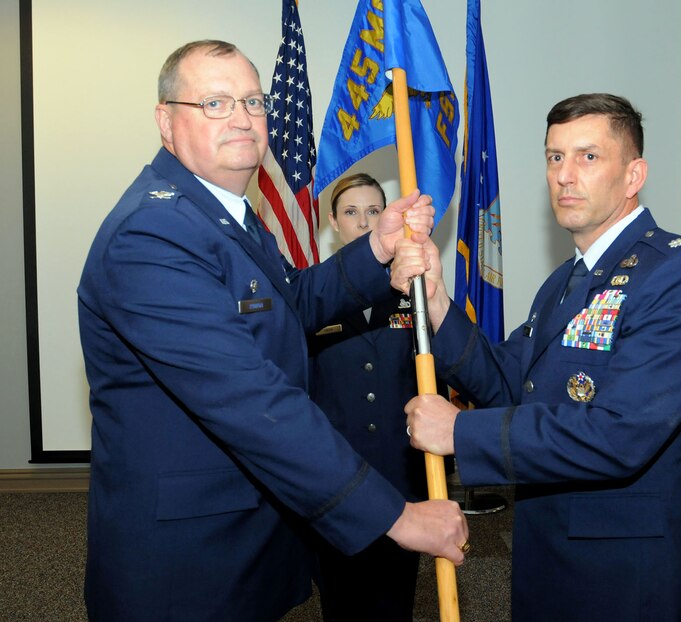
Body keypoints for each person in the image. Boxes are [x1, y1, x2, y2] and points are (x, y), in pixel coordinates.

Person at [76, 40, 468, 622]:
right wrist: (397, 515)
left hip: (238, 533)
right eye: (214, 103)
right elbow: (249, 399)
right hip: (185, 564)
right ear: (166, 121)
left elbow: (290, 302)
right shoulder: (153, 235)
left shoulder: (221, 215)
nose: (242, 117)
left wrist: (377, 247)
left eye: (253, 101)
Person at [399, 93, 681, 621]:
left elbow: (620, 434)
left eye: (588, 156)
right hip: (548, 551)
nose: (564, 175)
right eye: (555, 157)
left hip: (627, 575)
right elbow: (508, 382)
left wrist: (460, 433)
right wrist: (437, 303)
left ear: (634, 175)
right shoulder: (565, 281)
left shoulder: (679, 276)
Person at [309, 173, 448, 621]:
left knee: (394, 599)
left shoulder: (412, 293)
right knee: (340, 599)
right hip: (335, 474)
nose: (364, 221)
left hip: (398, 473)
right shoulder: (314, 298)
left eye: (374, 211)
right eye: (351, 212)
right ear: (333, 222)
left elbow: (434, 380)